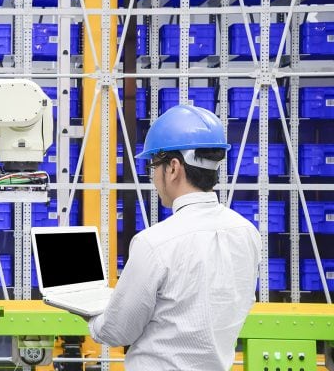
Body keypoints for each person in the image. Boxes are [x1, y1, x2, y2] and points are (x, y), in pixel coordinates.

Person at [88, 105, 261, 370]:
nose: (154, 178)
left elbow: (116, 333)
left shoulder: (154, 243)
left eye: (153, 166)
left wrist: (92, 314)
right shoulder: (247, 233)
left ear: (173, 168)